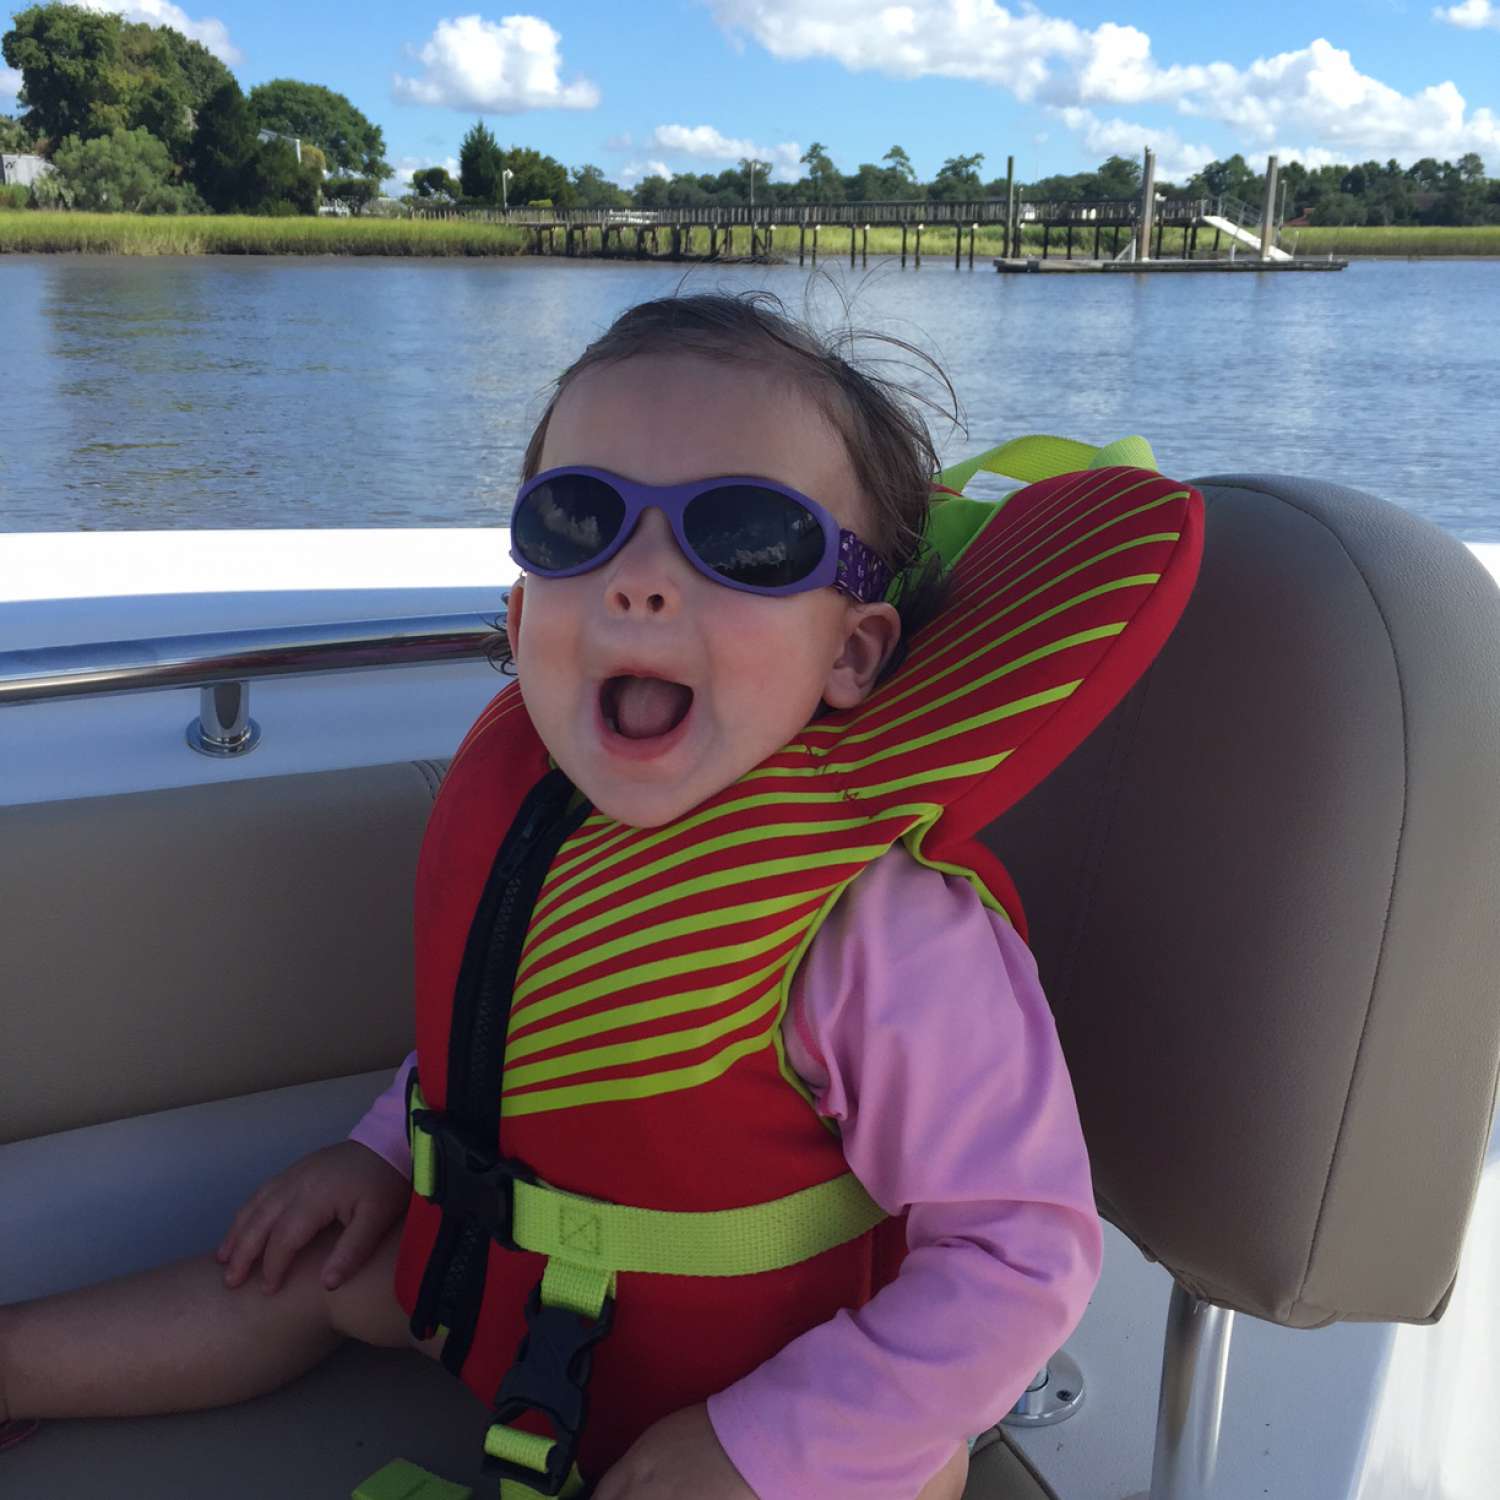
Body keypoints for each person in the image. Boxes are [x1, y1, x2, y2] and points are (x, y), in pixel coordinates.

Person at [0, 290, 1108, 1500]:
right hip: (519, 1299)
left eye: (744, 537)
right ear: (523, 618)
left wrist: (761, 1447)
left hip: (776, 1398)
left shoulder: (889, 929)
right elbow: (518, 1034)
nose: (638, 579)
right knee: (301, 1272)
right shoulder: (546, 823)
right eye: (581, 521)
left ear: (851, 650)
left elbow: (1018, 1253)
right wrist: (381, 1152)